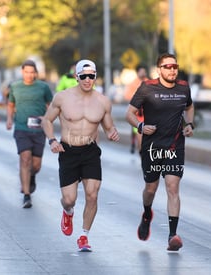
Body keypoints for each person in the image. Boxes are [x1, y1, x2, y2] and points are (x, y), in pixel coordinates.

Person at [41, 59, 120, 252]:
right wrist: (52, 140)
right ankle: (68, 211)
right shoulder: (62, 98)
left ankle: (84, 236)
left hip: (90, 151)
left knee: (92, 195)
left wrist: (112, 133)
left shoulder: (102, 101)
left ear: (95, 76)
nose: (87, 79)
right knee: (69, 199)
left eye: (91, 76)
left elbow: (109, 127)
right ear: (76, 76)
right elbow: (47, 120)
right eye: (83, 76)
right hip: (68, 150)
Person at [125, 53, 195, 251]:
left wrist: (189, 124)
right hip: (152, 147)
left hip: (175, 146)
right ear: (159, 69)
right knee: (151, 189)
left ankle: (173, 235)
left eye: (175, 66)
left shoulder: (183, 87)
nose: (172, 70)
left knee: (173, 187)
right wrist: (140, 126)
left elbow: (189, 107)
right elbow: (129, 113)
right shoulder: (147, 87)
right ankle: (147, 213)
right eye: (168, 66)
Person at [6, 60, 53, 208]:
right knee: (25, 159)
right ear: (22, 72)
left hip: (39, 130)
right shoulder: (15, 86)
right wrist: (9, 119)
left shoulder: (43, 87)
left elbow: (51, 106)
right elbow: (10, 104)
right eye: (26, 72)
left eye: (32, 72)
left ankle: (31, 177)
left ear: (36, 73)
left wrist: (46, 118)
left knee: (36, 165)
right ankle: (26, 195)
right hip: (21, 128)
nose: (29, 75)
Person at [124, 64, 149, 154]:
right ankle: (141, 153)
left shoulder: (149, 82)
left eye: (144, 72)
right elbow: (127, 96)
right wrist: (138, 99)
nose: (143, 73)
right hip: (137, 115)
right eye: (141, 71)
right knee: (140, 137)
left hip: (149, 114)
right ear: (137, 72)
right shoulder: (133, 84)